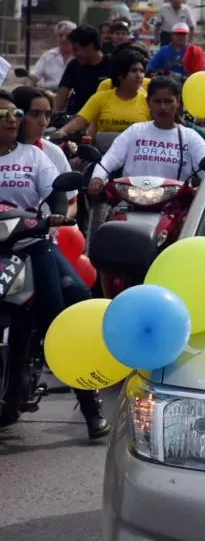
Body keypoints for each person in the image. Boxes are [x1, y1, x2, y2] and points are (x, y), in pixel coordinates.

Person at [0, 91, 109, 439]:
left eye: (16, 114)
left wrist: (56, 213)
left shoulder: (34, 156)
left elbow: (56, 190)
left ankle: (89, 403)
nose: (12, 120)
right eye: (5, 114)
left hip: (32, 245)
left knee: (61, 313)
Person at [88, 76, 205, 196]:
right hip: (130, 203)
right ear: (148, 102)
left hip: (174, 208)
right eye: (157, 101)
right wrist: (97, 178)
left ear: (178, 102)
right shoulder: (135, 131)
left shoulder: (191, 137)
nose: (163, 107)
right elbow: (110, 159)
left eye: (168, 101)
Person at [53, 47, 150, 139]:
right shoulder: (100, 98)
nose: (139, 76)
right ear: (120, 74)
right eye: (134, 71)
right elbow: (80, 121)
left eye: (141, 71)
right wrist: (63, 131)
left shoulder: (148, 101)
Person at [12, 87, 78, 219]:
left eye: (47, 115)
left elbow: (72, 203)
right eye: (35, 114)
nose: (43, 122)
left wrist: (57, 222)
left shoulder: (54, 152)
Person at [54, 25, 112, 116]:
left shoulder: (113, 65)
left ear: (90, 47)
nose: (74, 54)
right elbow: (61, 97)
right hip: (76, 117)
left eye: (76, 49)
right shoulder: (73, 65)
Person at [27, 20, 75, 91]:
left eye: (68, 36)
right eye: (60, 35)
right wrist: (27, 89)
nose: (63, 39)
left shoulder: (80, 57)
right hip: (48, 94)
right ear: (56, 38)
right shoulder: (48, 56)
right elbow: (33, 77)